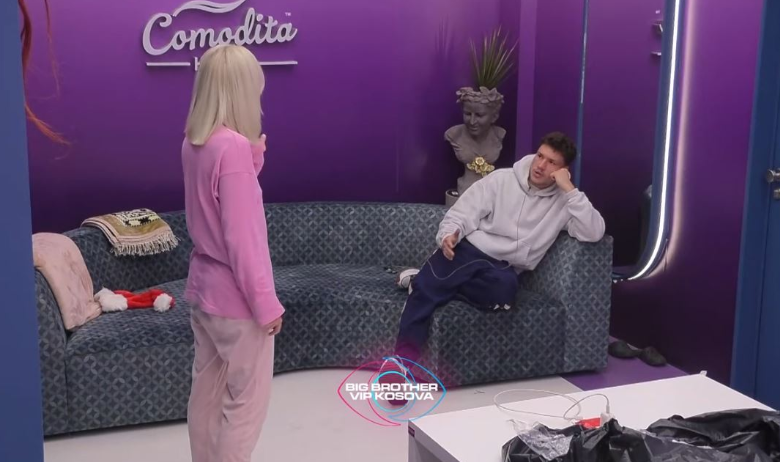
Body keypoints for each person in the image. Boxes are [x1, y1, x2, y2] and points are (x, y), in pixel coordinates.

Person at [382, 132, 605, 398]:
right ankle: (401, 367)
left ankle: (424, 278)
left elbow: (594, 232)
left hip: (501, 267)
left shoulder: (564, 203)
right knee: (426, 293)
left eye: (551, 162)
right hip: (469, 249)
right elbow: (461, 213)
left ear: (563, 170)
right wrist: (450, 235)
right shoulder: (501, 180)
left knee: (502, 293)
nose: (540, 165)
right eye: (540, 156)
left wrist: (570, 191)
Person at [182, 44, 284, 462]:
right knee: (244, 407)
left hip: (204, 291)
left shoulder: (195, 142)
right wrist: (266, 304)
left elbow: (215, 202)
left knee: (206, 395)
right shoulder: (233, 149)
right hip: (238, 302)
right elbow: (243, 239)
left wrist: (251, 157)